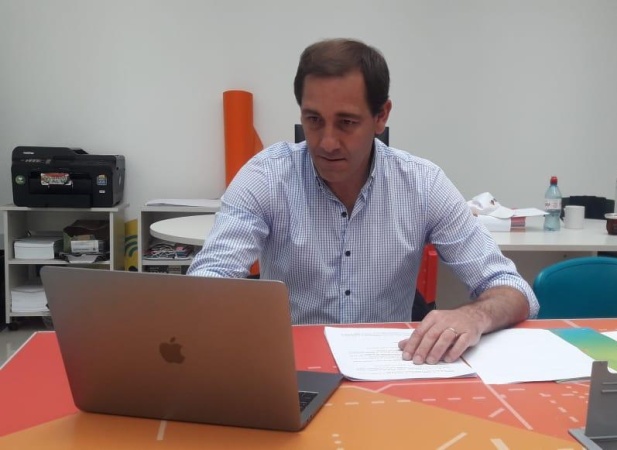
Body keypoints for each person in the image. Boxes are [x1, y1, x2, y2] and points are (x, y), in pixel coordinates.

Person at [188, 38, 538, 365]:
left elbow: (514, 290)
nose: (327, 143)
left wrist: (473, 316)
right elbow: (210, 276)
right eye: (314, 120)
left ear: (381, 116)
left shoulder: (422, 184)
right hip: (290, 365)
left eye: (347, 123)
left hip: (387, 368)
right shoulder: (266, 176)